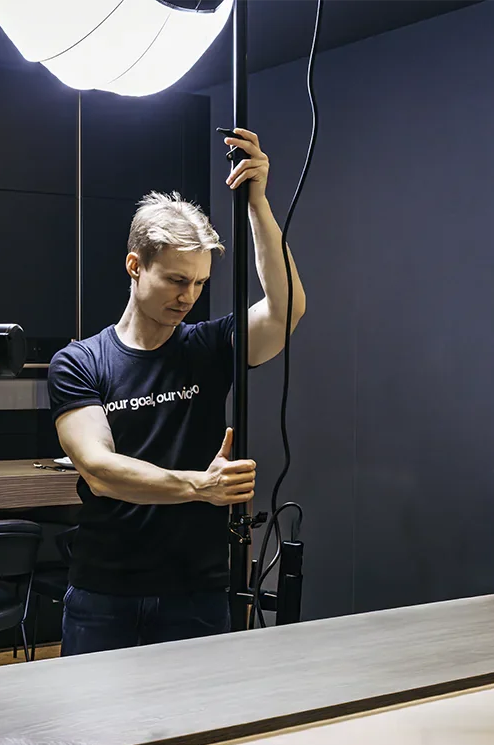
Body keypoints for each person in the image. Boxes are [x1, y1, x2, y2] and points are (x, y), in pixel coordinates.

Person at [48, 128, 306, 657]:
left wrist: (257, 204)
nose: (188, 296)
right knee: (92, 713)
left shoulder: (208, 347)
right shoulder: (80, 361)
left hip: (196, 589)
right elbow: (98, 470)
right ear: (135, 266)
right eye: (175, 280)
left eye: (199, 283)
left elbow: (285, 310)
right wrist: (200, 487)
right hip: (105, 590)